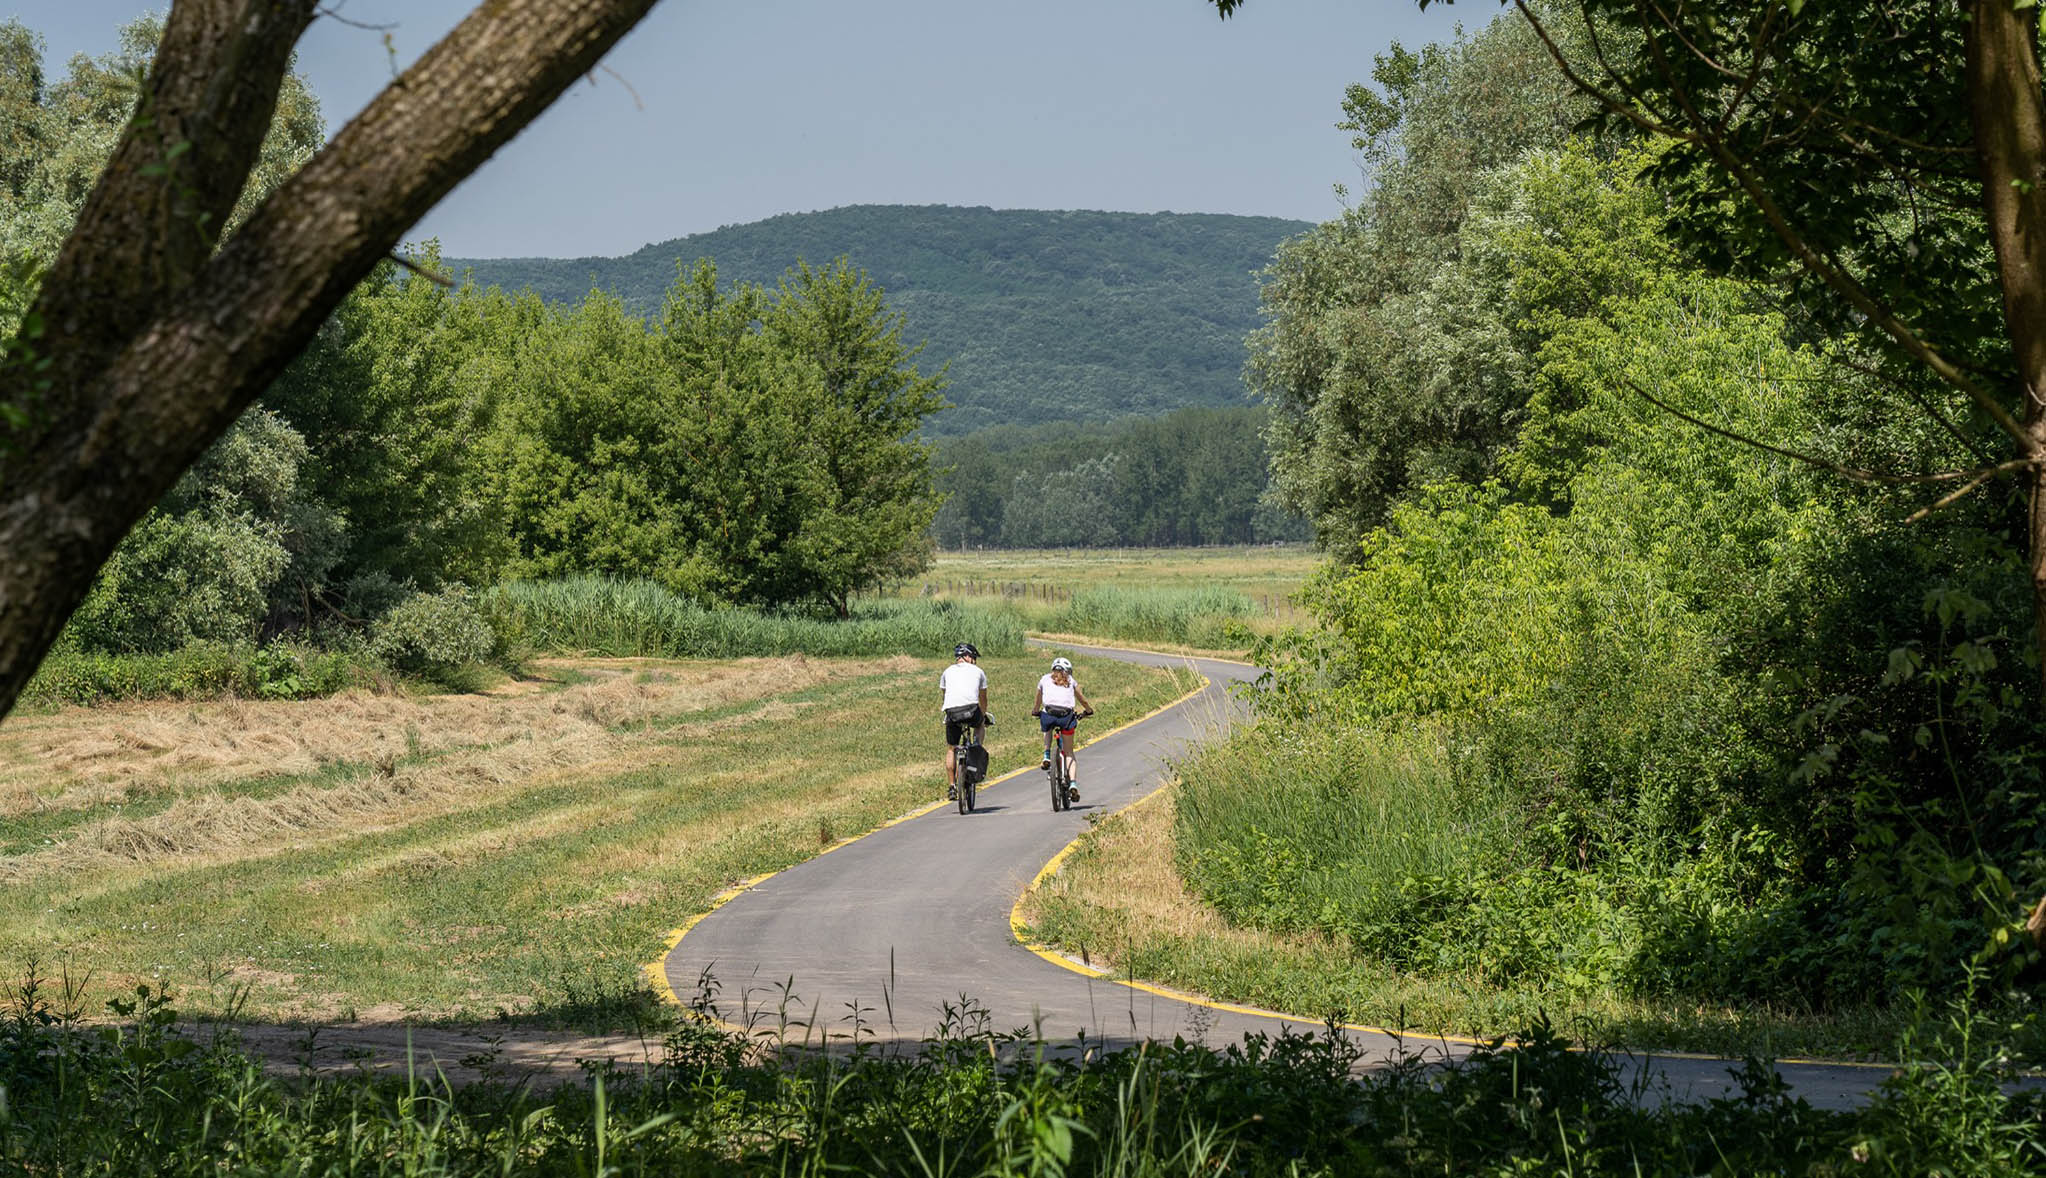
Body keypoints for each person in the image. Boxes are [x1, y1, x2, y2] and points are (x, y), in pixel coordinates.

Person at [1031, 656, 1093, 803]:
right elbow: (1082, 699)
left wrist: (1035, 710)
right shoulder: (1071, 681)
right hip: (1066, 717)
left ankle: (1046, 754)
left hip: (1050, 715)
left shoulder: (1044, 679)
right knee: (1069, 752)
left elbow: (1038, 698)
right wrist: (1089, 710)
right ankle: (1072, 783)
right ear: (1068, 671)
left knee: (1046, 723)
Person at [939, 642, 989, 801]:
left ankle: (952, 786)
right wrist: (983, 714)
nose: (974, 660)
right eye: (973, 657)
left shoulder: (947, 672)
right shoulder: (979, 672)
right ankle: (977, 749)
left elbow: (945, 694)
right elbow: (983, 699)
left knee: (951, 748)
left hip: (952, 711)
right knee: (980, 724)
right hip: (971, 709)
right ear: (967, 657)